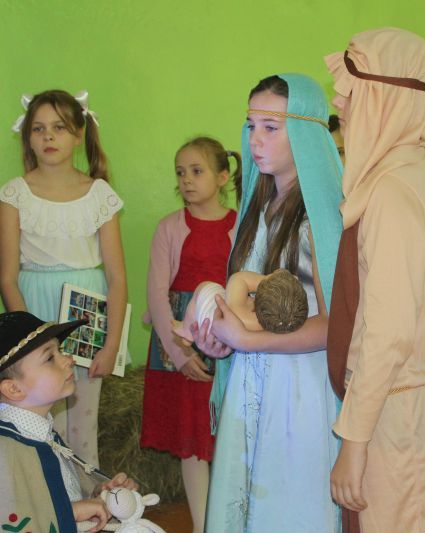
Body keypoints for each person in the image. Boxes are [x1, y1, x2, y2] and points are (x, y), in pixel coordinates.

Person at [324, 28, 425, 532]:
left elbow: (388, 333)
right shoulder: (410, 174)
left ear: (390, 101)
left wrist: (354, 441)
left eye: (353, 91)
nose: (339, 103)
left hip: (399, 410)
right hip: (406, 402)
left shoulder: (392, 191)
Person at [196, 73, 344, 532]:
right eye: (251, 125)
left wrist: (247, 339)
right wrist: (223, 340)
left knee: (286, 506)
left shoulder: (319, 216)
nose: (255, 140)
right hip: (254, 380)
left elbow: (332, 325)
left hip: (298, 388)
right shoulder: (261, 209)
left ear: (304, 131)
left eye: (271, 127)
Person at [0, 90, 127, 467]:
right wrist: (31, 341)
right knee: (41, 423)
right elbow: (8, 278)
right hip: (35, 317)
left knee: (82, 429)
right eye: (38, 129)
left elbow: (117, 277)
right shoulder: (14, 195)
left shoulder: (99, 195)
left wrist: (111, 344)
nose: (48, 136)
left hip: (86, 319)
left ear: (78, 134)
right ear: (27, 137)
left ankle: (85, 498)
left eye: (59, 127)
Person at [0, 312, 138, 532]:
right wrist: (71, 513)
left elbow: (51, 498)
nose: (69, 360)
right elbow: (3, 523)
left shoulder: (38, 435)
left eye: (60, 351)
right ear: (14, 389)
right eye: (49, 358)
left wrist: (100, 496)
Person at [141, 136, 239, 533]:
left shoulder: (241, 225)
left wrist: (235, 338)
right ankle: (202, 525)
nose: (186, 180)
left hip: (229, 342)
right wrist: (179, 353)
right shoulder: (169, 227)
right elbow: (156, 294)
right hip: (180, 341)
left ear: (222, 176)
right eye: (180, 172)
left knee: (226, 434)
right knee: (193, 439)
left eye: (197, 171)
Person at [172, 268, 309, 344]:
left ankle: (186, 331)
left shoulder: (238, 311)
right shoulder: (269, 325)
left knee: (204, 287)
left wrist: (268, 279)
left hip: (208, 320)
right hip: (219, 339)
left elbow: (238, 278)